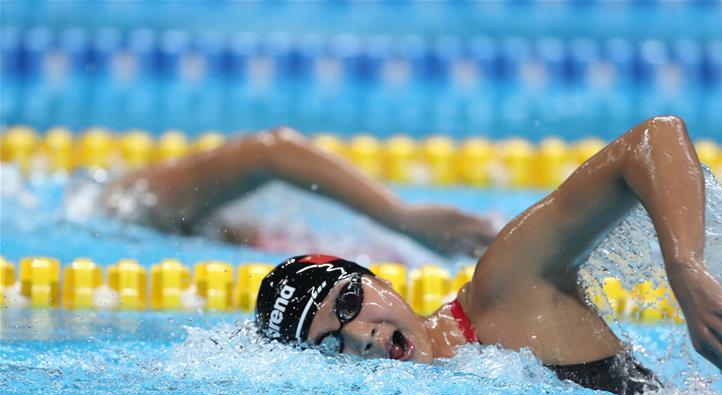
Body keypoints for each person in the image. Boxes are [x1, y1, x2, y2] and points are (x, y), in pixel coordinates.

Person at [255, 116, 722, 395]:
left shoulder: (503, 290)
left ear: (380, 281)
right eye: (329, 345)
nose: (359, 338)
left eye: (349, 304)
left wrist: (685, 266)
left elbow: (653, 139)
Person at [98, 127, 496, 257]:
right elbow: (270, 153)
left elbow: (270, 151)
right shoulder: (131, 208)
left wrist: (402, 218)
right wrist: (400, 219)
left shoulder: (139, 205)